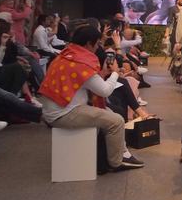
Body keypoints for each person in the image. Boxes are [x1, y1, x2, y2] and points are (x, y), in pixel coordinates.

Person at [37, 24, 144, 171]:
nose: (98, 47)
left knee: (110, 112)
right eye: (98, 43)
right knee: (117, 121)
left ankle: (122, 152)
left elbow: (85, 83)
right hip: (64, 114)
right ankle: (116, 162)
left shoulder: (66, 55)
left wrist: (103, 73)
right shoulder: (81, 63)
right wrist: (114, 72)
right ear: (89, 44)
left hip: (57, 110)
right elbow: (105, 91)